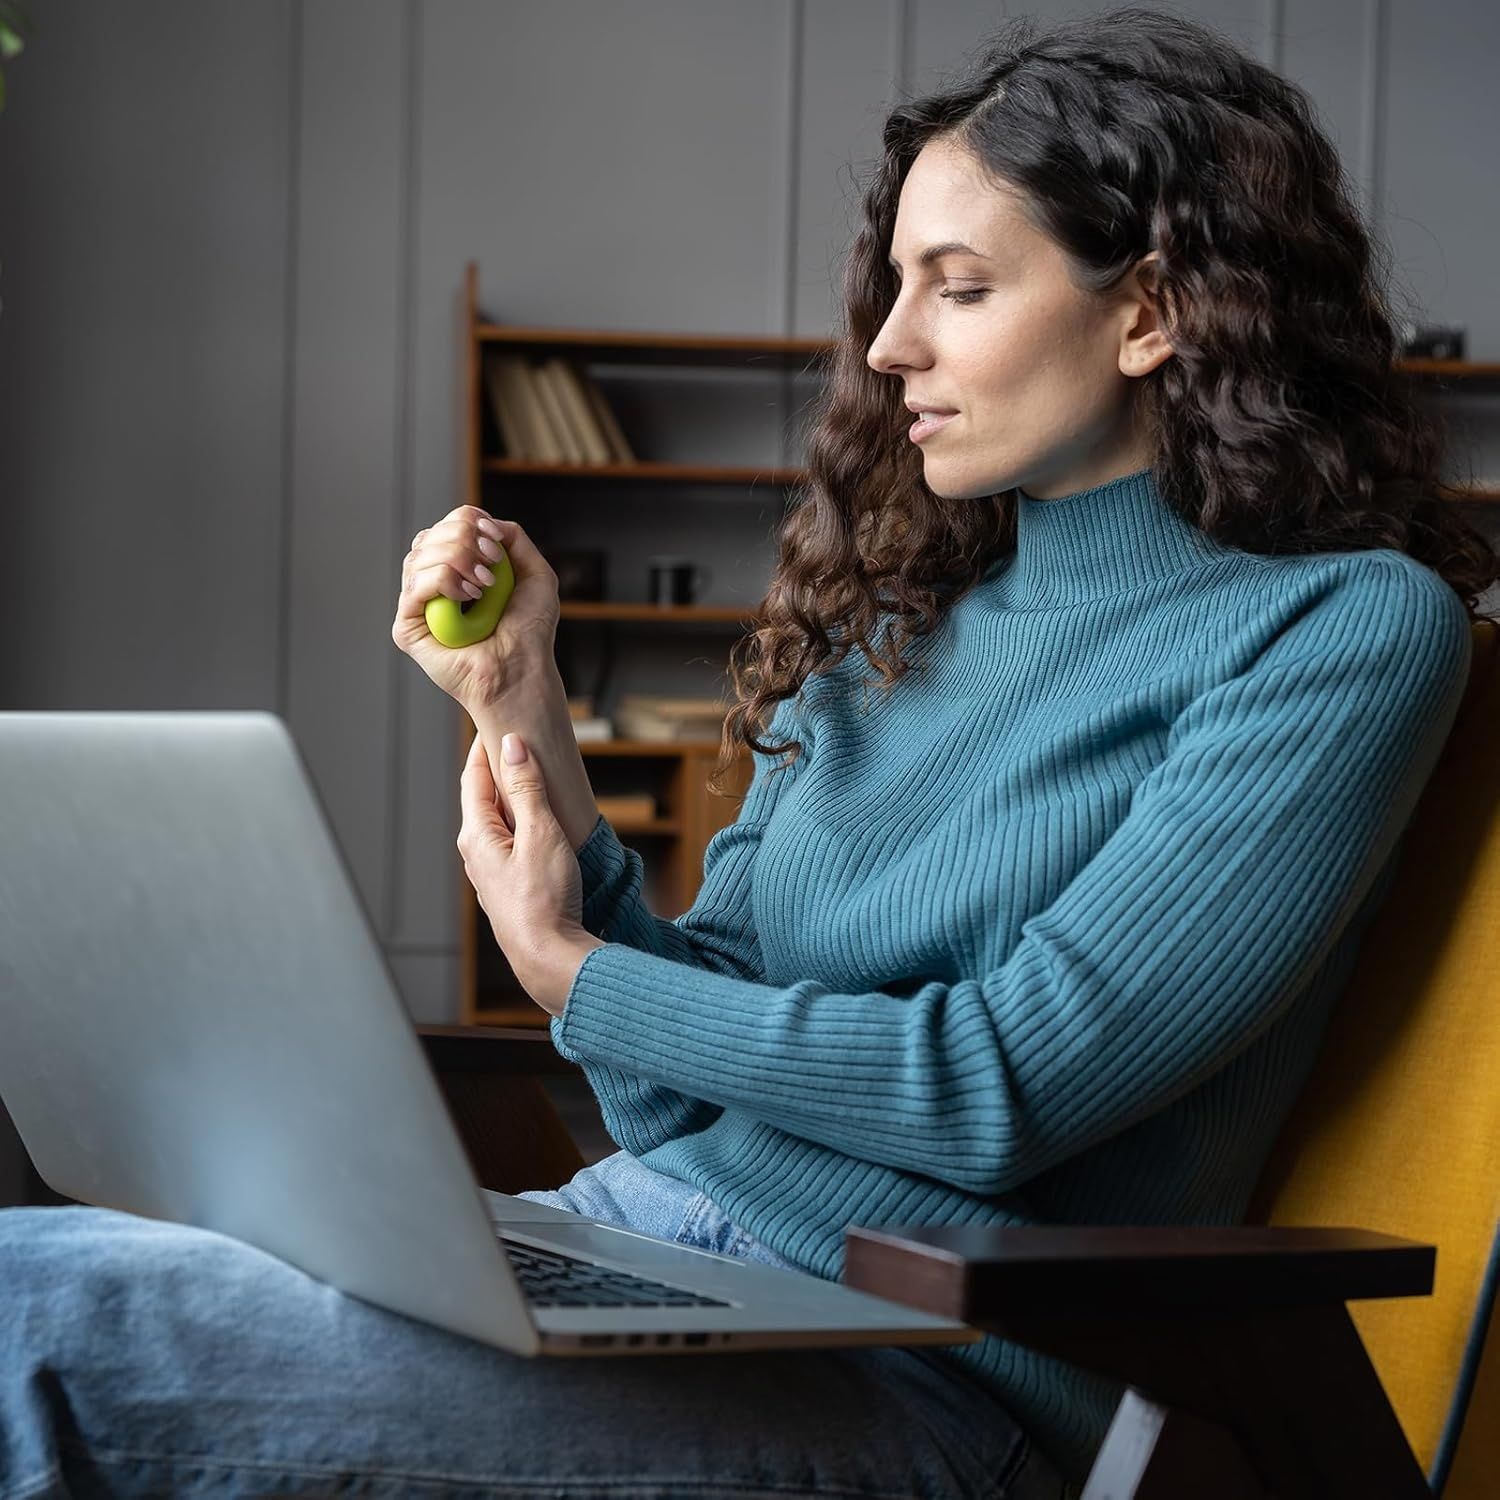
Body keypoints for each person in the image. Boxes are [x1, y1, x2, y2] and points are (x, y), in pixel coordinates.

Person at [4, 7, 1496, 1497]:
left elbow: (1002, 1090)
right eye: (896, 286)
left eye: (959, 288)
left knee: (41, 1322)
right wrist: (529, 727)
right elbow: (672, 1095)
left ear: (1153, 309)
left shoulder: (1339, 630)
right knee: (29, 1264)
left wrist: (576, 975)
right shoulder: (897, 622)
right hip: (649, 1252)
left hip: (933, 1375)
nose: (891, 343)